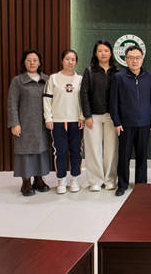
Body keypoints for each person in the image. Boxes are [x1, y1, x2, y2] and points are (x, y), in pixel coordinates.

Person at [109, 45, 151, 197]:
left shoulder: (150, 77)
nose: (134, 61)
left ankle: (141, 184)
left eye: (137, 58)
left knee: (142, 155)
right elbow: (113, 102)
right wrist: (117, 122)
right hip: (125, 124)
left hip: (145, 122)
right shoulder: (119, 77)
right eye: (131, 58)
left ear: (142, 59)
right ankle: (122, 184)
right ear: (126, 59)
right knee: (124, 155)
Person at [7, 49, 51, 196]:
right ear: (24, 63)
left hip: (42, 124)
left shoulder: (47, 80)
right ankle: (26, 182)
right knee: (25, 152)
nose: (32, 63)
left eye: (35, 60)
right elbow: (12, 104)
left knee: (41, 151)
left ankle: (39, 179)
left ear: (39, 63)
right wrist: (14, 123)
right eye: (29, 60)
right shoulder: (18, 81)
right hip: (24, 124)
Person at [43, 49, 85, 194]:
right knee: (60, 151)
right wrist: (48, 118)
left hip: (76, 120)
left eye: (73, 59)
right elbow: (47, 99)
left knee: (76, 150)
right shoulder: (53, 78)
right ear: (62, 61)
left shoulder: (80, 79)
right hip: (58, 120)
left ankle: (75, 178)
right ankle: (61, 179)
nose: (70, 62)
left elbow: (84, 100)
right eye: (67, 59)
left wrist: (82, 117)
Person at [80, 40, 119, 192]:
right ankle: (95, 180)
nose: (103, 53)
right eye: (100, 51)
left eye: (106, 50)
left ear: (111, 53)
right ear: (95, 53)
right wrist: (87, 115)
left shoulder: (117, 72)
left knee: (111, 149)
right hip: (93, 116)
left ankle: (110, 179)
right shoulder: (89, 71)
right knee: (93, 149)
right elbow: (84, 94)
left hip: (112, 116)